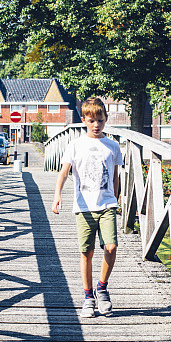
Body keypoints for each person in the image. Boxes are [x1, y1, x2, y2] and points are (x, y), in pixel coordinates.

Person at [51, 97, 123, 318]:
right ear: (83, 120)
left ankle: (102, 287)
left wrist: (117, 198)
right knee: (86, 252)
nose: (96, 125)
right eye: (91, 120)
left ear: (106, 119)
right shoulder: (75, 145)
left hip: (107, 204)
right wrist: (57, 194)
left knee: (110, 247)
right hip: (83, 206)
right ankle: (87, 296)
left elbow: (116, 177)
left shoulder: (113, 146)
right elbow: (64, 172)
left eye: (100, 120)